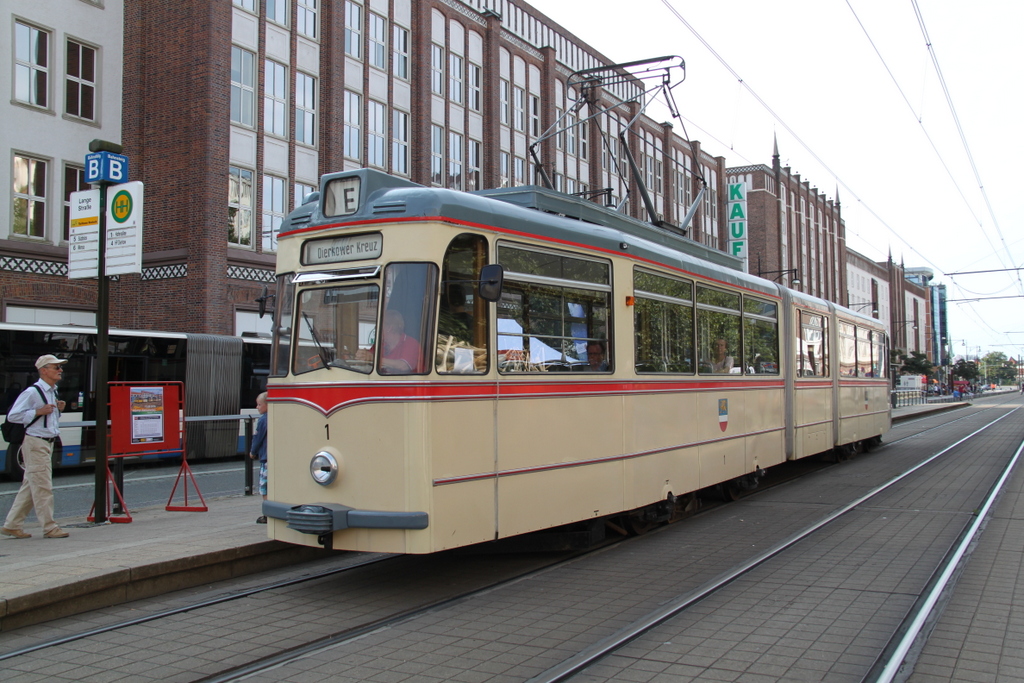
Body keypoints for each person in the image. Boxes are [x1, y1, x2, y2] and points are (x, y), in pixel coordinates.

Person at [2, 355, 70, 539]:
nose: (60, 370)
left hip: (46, 441)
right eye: (56, 367)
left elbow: (49, 419)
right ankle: (49, 527)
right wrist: (38, 411)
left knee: (31, 485)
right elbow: (12, 416)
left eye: (60, 367)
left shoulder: (52, 391)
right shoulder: (33, 392)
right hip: (35, 443)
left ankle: (12, 525)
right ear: (43, 370)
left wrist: (58, 409)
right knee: (42, 487)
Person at [250, 392, 268, 524]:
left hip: (266, 458)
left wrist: (252, 452)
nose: (257, 407)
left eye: (259, 404)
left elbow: (258, 438)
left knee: (265, 486)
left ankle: (267, 514)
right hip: (276, 458)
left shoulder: (263, 420)